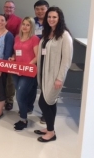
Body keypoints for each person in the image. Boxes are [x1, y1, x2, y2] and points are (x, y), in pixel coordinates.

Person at [35, 7, 72, 142]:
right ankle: (50, 128)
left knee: (43, 102)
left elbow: (66, 60)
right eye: (49, 17)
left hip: (54, 76)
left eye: (54, 17)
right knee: (51, 103)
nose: (51, 19)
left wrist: (59, 78)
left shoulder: (64, 36)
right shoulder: (48, 32)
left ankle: (51, 133)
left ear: (59, 18)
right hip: (44, 73)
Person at [9, 17, 40, 130]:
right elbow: (16, 53)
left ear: (31, 27)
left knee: (20, 96)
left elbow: (37, 56)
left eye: (28, 25)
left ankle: (23, 119)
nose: (25, 27)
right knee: (21, 94)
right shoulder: (17, 38)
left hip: (28, 72)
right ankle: (25, 110)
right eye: (24, 24)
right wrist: (12, 58)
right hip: (16, 70)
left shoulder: (35, 39)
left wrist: (28, 66)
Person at [3, 1, 22, 111]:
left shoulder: (19, 21)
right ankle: (1, 97)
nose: (8, 9)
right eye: (6, 7)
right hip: (0, 53)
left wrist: (15, 54)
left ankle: (9, 100)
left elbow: (19, 39)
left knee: (10, 79)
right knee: (0, 76)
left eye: (11, 7)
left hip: (12, 54)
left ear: (14, 9)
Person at [33, 0, 49, 124]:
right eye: (37, 9)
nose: (39, 11)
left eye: (42, 9)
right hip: (32, 57)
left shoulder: (52, 22)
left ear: (47, 9)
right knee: (32, 84)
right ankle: (29, 107)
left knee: (45, 85)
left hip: (47, 58)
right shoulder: (31, 22)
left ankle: (45, 113)